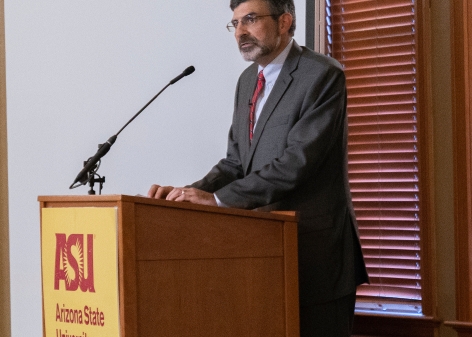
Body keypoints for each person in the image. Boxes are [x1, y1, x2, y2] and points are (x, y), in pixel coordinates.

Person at [147, 0, 369, 335]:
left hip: (316, 258)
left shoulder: (322, 75)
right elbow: (236, 162)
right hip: (262, 258)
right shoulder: (248, 81)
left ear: (284, 22)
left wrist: (219, 201)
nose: (240, 32)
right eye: (234, 23)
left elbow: (297, 163)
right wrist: (186, 195)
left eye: (250, 19)